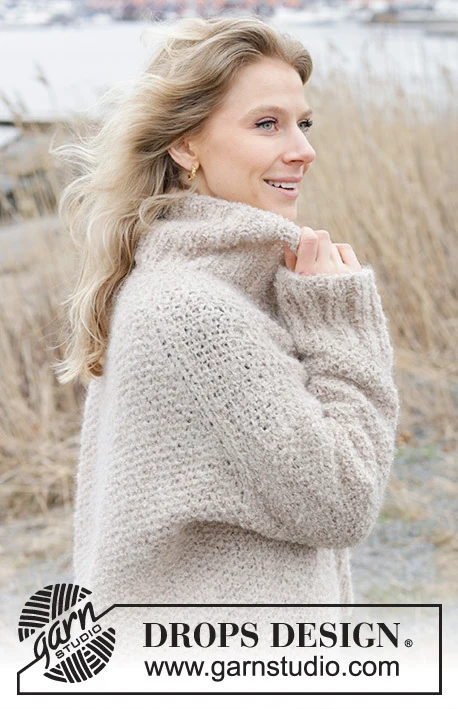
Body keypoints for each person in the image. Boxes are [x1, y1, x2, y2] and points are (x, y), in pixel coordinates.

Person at [54, 16, 399, 612]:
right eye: (267, 124)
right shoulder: (195, 313)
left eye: (304, 123)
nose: (304, 150)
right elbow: (342, 501)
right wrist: (340, 324)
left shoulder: (193, 284)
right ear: (186, 145)